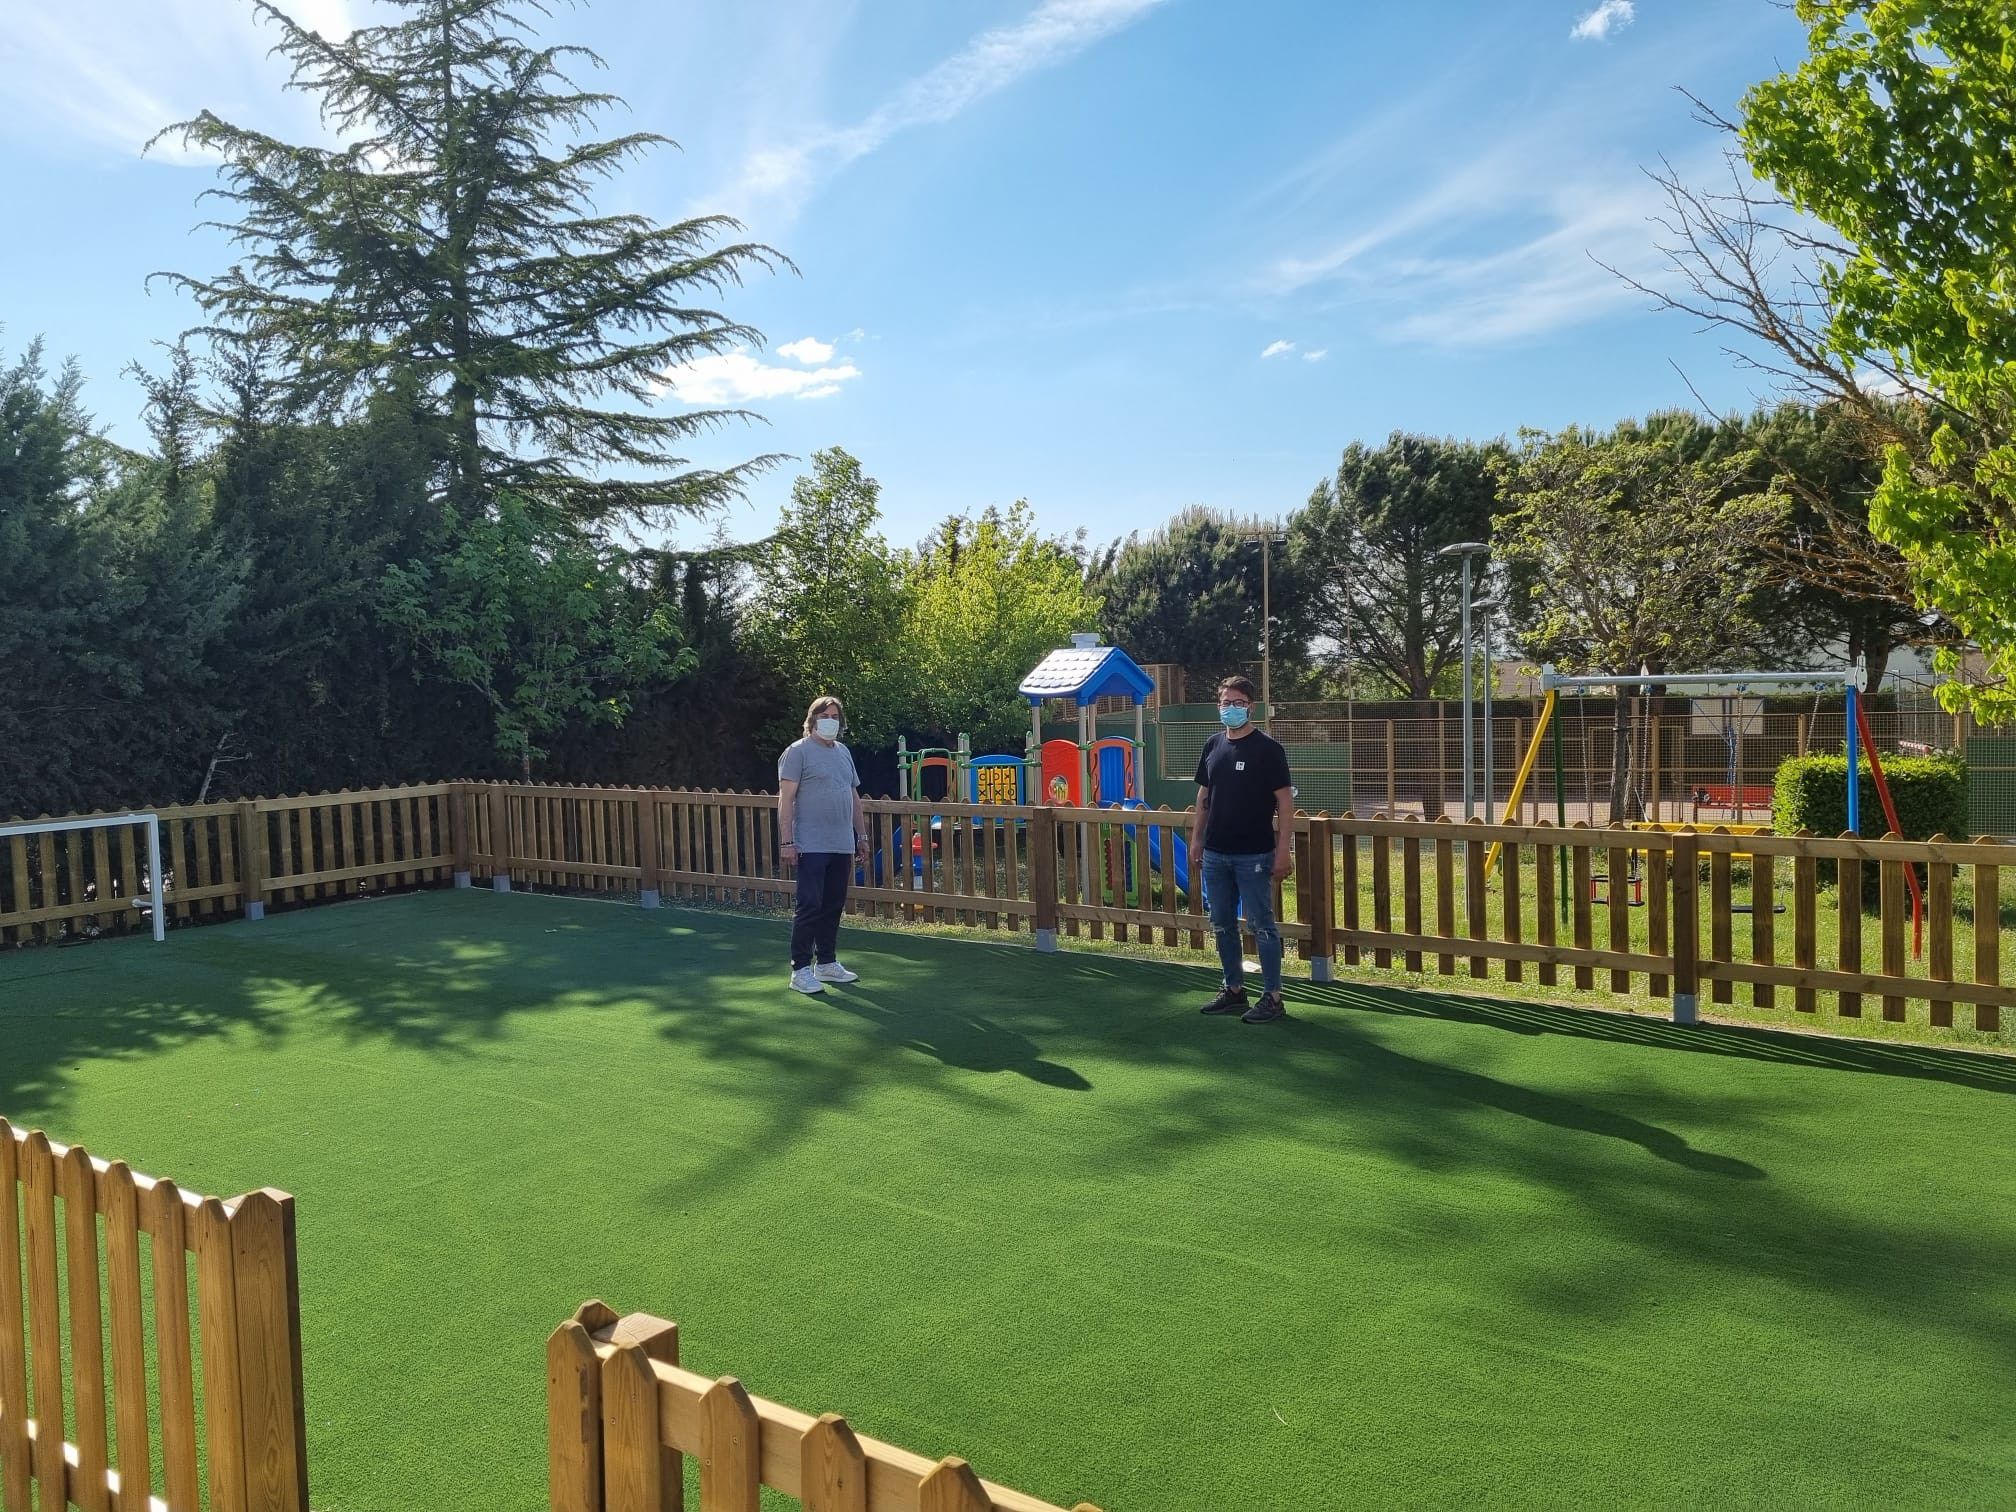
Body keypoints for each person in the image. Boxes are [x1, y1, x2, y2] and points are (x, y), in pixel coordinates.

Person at [1189, 675, 1294, 1023]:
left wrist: (1283, 850)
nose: (1230, 708)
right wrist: (1197, 840)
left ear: (1251, 706)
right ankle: (1233, 990)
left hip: (1255, 855)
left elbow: (1285, 804)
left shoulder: (1268, 750)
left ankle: (1273, 997)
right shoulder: (1213, 745)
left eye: (1237, 703)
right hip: (1216, 854)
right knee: (1221, 924)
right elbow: (1204, 797)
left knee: (1262, 926)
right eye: (1224, 703)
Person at [777, 695, 870, 994]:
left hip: (842, 844)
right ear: (812, 719)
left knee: (833, 905)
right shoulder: (797, 752)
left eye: (835, 716)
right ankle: (800, 970)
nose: (831, 720)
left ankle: (827, 963)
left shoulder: (843, 753)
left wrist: (862, 836)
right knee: (809, 905)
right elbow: (786, 799)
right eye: (825, 715)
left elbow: (853, 796)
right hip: (810, 844)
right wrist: (787, 841)